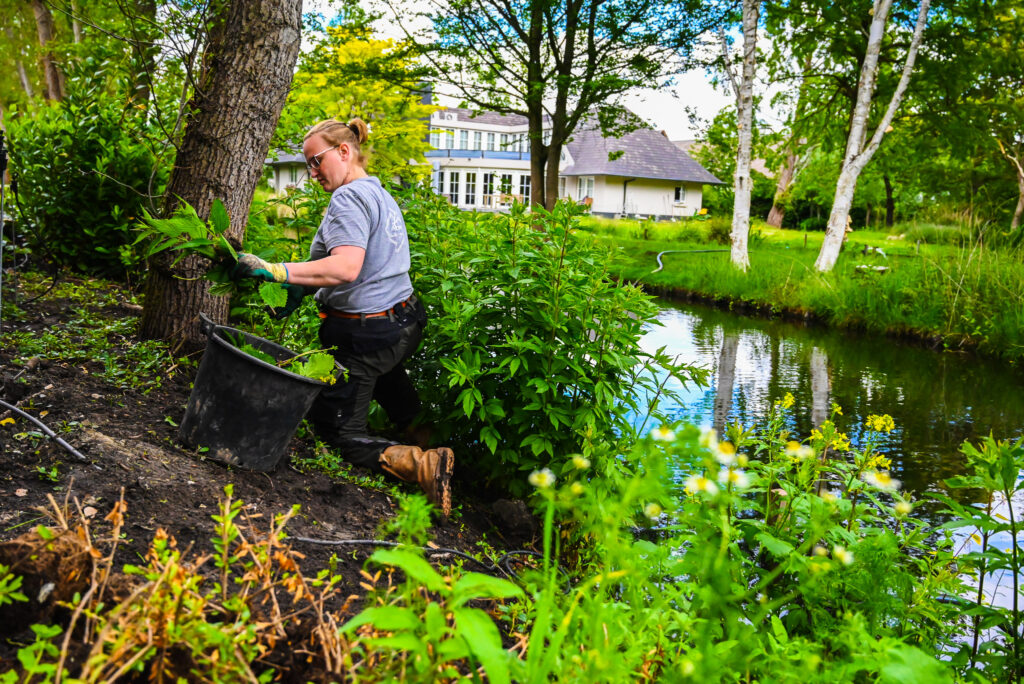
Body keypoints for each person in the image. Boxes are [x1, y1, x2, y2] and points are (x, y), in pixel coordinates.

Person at [231, 117, 454, 516]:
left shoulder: (347, 198)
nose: (312, 172)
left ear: (344, 151)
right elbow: (348, 265)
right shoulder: (377, 192)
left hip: (370, 335)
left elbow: (346, 267)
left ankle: (427, 464)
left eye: (316, 161)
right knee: (387, 379)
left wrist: (277, 270)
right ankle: (440, 442)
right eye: (308, 165)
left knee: (338, 432)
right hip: (403, 322)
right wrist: (302, 286)